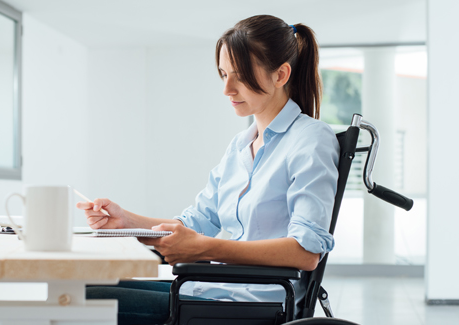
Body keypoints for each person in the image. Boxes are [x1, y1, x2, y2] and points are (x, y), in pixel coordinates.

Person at [77, 14, 339, 325]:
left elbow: (305, 252)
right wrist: (127, 221)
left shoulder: (311, 140)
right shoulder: (241, 145)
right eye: (223, 74)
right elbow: (198, 222)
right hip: (214, 289)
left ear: (281, 74)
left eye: (239, 76)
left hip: (254, 302)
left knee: (87, 301)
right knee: (84, 288)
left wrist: (205, 248)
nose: (227, 89)